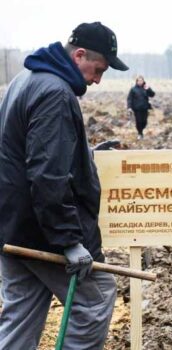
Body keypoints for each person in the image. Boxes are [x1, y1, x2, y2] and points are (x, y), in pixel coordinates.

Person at [0, 21, 128, 350]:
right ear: (80, 55)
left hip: (12, 225)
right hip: (41, 231)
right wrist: (68, 240)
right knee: (96, 299)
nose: (98, 80)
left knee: (21, 316)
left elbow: (23, 149)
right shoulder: (55, 93)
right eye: (97, 69)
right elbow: (46, 174)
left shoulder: (25, 79)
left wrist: (83, 156)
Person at [127, 75, 155, 140]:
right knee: (139, 121)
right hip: (137, 109)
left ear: (143, 81)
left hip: (145, 108)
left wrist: (149, 89)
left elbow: (152, 95)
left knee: (144, 122)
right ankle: (140, 133)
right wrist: (129, 107)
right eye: (139, 80)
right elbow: (129, 99)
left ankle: (141, 130)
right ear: (136, 81)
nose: (140, 82)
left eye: (141, 80)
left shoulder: (146, 88)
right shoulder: (133, 89)